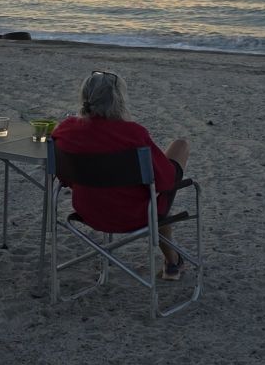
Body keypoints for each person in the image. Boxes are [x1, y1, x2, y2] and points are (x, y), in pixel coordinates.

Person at [51, 70, 192, 280]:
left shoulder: (65, 131)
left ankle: (172, 263)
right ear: (118, 100)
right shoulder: (134, 134)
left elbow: (65, 178)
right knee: (180, 147)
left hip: (88, 211)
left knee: (154, 192)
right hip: (135, 214)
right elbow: (165, 181)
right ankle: (172, 262)